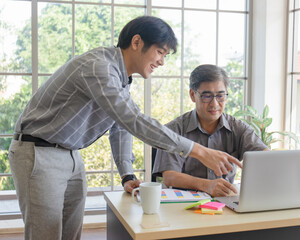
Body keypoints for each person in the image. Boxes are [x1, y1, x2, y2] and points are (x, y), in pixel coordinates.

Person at [8, 17, 241, 240]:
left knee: (70, 234)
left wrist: (127, 174)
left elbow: (120, 127)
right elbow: (133, 120)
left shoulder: (121, 80)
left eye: (165, 55)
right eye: (160, 52)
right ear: (137, 42)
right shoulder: (99, 67)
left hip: (70, 155)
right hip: (39, 151)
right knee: (46, 235)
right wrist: (199, 151)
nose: (162, 61)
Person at [153, 64, 269, 197]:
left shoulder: (238, 128)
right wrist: (206, 185)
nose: (214, 104)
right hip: (185, 204)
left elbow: (265, 157)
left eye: (220, 96)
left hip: (225, 204)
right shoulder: (174, 130)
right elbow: (170, 177)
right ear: (192, 95)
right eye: (206, 96)